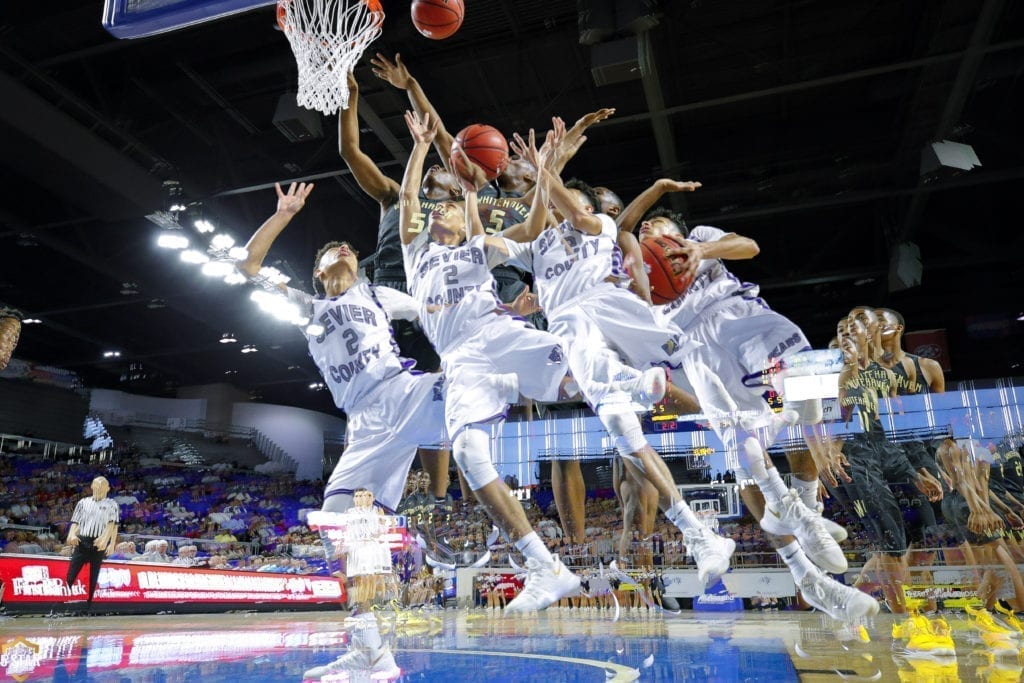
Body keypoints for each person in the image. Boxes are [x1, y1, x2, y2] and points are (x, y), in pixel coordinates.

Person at [503, 133, 737, 588]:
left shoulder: (600, 228)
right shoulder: (538, 244)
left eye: (561, 196)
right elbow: (499, 243)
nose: (551, 202)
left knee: (691, 364)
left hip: (612, 313)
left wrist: (545, 165)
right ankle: (699, 535)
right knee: (627, 439)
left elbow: (575, 212)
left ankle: (732, 410)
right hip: (584, 335)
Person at [400, 111, 584, 613]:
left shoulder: (481, 248)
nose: (437, 211)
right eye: (433, 209)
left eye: (450, 207)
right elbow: (407, 199)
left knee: (581, 367)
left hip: (496, 333)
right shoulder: (417, 254)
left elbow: (534, 226)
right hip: (461, 360)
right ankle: (544, 567)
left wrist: (546, 173)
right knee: (468, 455)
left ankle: (649, 380)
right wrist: (420, 147)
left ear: (465, 215)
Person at [237, 181, 448, 516]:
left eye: (350, 249)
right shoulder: (308, 307)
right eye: (335, 250)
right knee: (336, 520)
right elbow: (247, 268)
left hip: (401, 390)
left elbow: (438, 313)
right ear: (319, 271)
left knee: (475, 382)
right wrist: (282, 216)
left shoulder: (377, 294)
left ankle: (452, 503)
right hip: (364, 417)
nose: (346, 248)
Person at [65, 476, 120, 609]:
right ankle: (65, 598)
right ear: (92, 487)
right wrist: (71, 534)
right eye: (97, 485)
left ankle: (89, 604)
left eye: (102, 485)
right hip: (82, 540)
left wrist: (110, 543)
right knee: (72, 570)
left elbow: (113, 525)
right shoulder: (83, 502)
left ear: (107, 488)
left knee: (94, 573)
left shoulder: (111, 504)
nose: (99, 487)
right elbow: (76, 521)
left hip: (99, 542)